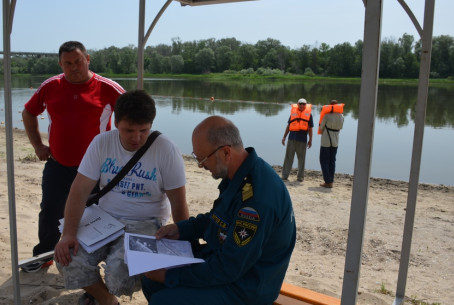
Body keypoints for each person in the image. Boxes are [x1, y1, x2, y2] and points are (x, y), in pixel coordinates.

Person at [142, 115, 296, 305]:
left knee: (163, 300)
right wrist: (181, 229)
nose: (201, 166)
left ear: (225, 153)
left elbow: (229, 268)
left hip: (247, 286)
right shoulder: (239, 173)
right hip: (226, 263)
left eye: (203, 159)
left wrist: (170, 276)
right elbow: (218, 219)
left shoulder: (257, 201)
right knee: (150, 282)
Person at [54, 90, 189, 305]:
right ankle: (107, 300)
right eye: (129, 130)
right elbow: (78, 191)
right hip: (104, 219)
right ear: (116, 122)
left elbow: (179, 202)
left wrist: (186, 243)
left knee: (119, 276)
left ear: (151, 124)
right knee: (67, 258)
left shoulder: (166, 149)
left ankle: (101, 293)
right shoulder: (101, 143)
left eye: (143, 130)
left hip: (147, 222)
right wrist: (69, 233)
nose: (136, 138)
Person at [22, 41, 126, 271]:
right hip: (58, 164)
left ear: (87, 59)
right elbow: (29, 113)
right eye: (67, 63)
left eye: (78, 61)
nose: (73, 67)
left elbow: (135, 113)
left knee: (97, 215)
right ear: (60, 64)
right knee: (50, 211)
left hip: (97, 168)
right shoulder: (51, 86)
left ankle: (95, 262)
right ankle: (44, 256)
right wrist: (38, 145)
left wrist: (123, 149)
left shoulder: (107, 87)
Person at [281, 98, 313, 182]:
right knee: (288, 158)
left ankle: (300, 177)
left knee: (301, 159)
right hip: (291, 139)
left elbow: (310, 129)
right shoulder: (293, 114)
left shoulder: (309, 115)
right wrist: (284, 137)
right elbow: (288, 126)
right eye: (300, 103)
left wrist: (310, 140)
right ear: (297, 104)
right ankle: (284, 175)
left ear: (306, 105)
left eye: (303, 104)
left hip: (302, 140)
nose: (302, 105)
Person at [318, 100, 345, 188]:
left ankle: (327, 181)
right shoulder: (342, 116)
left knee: (323, 160)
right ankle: (331, 181)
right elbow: (341, 128)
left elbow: (321, 128)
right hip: (336, 141)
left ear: (330, 106)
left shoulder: (326, 116)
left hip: (326, 141)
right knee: (332, 161)